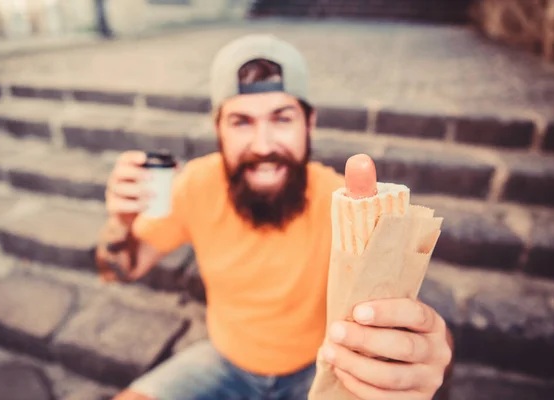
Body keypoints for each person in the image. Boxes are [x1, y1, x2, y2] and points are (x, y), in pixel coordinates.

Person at [96, 34, 453, 400]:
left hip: (320, 367)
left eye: (282, 118)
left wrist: (421, 354)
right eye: (241, 122)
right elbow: (119, 268)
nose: (263, 145)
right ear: (217, 127)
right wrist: (121, 222)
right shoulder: (194, 186)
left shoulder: (344, 206)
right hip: (224, 364)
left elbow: (400, 314)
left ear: (309, 123)